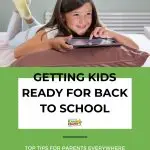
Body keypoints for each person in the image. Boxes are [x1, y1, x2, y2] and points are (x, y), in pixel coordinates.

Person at [8, 0, 139, 59]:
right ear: (62, 17)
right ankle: (18, 12)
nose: (83, 21)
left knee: (38, 26)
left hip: (44, 27)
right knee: (11, 40)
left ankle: (29, 17)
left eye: (88, 14)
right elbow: (18, 52)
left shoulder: (95, 27)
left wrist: (112, 34)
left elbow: (135, 47)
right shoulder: (50, 33)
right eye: (76, 14)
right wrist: (49, 43)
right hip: (32, 34)